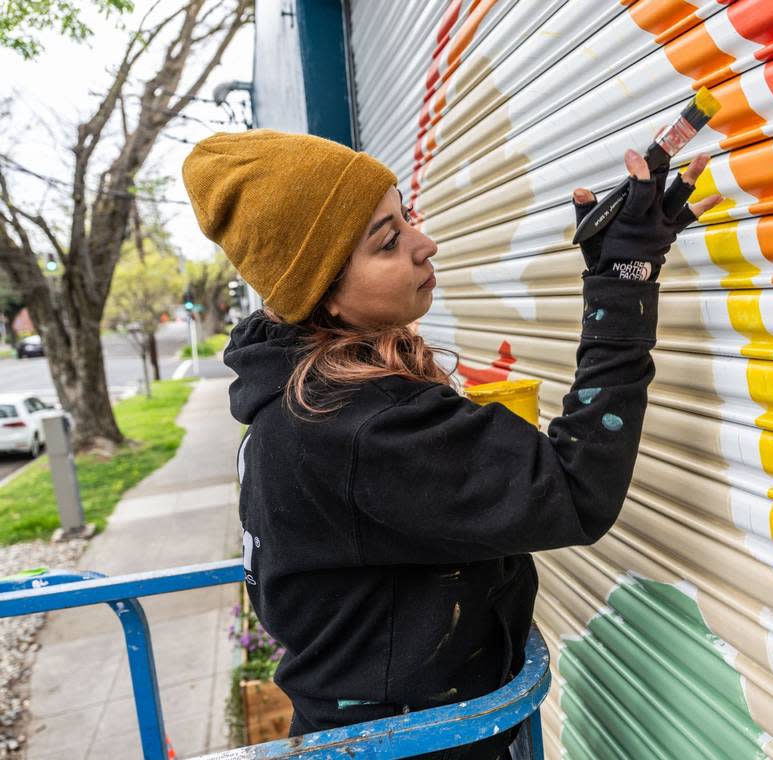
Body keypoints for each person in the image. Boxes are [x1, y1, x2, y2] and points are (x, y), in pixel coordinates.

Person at [182, 130, 722, 759]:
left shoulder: (294, 398)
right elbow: (576, 488)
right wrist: (622, 282)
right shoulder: (356, 427)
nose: (424, 241)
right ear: (320, 293)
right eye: (388, 240)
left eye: (405, 216)